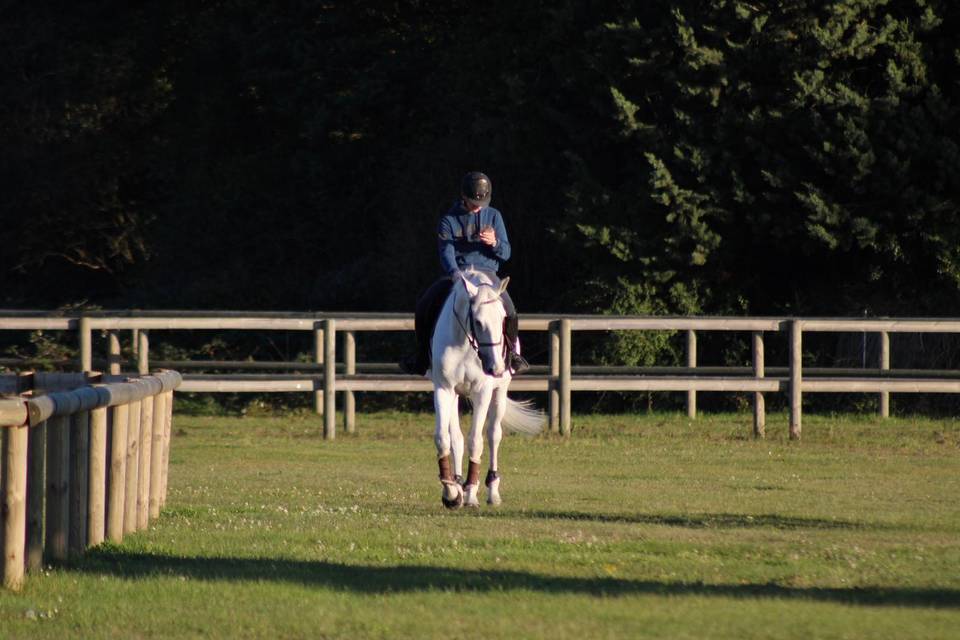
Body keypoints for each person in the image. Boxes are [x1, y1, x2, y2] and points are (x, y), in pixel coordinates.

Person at [402, 171, 529, 376]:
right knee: (425, 302)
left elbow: (506, 253)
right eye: (473, 202)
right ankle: (421, 355)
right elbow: (446, 251)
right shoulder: (448, 220)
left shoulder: (494, 216)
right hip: (458, 274)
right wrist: (454, 274)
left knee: (510, 308)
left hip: (488, 274)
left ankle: (513, 354)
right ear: (463, 196)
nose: (478, 206)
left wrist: (494, 243)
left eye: (482, 201)